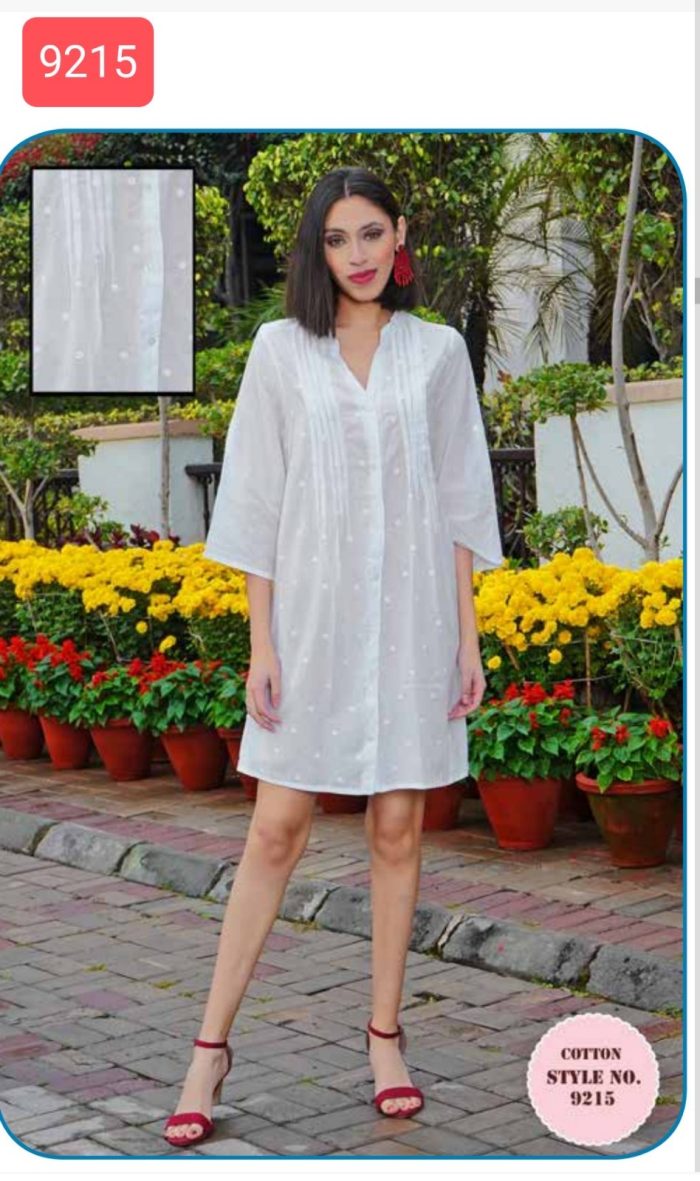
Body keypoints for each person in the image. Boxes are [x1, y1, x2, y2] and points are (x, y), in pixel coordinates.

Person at [164, 166, 504, 1148]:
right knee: (275, 829)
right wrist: (260, 643)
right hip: (310, 624)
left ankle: (385, 1036)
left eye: (371, 233)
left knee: (398, 828)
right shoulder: (282, 349)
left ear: (399, 236)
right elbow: (255, 500)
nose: (357, 255)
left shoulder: (437, 353)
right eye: (337, 238)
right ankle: (208, 1049)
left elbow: (460, 498)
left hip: (410, 622)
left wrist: (466, 635)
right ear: (317, 251)